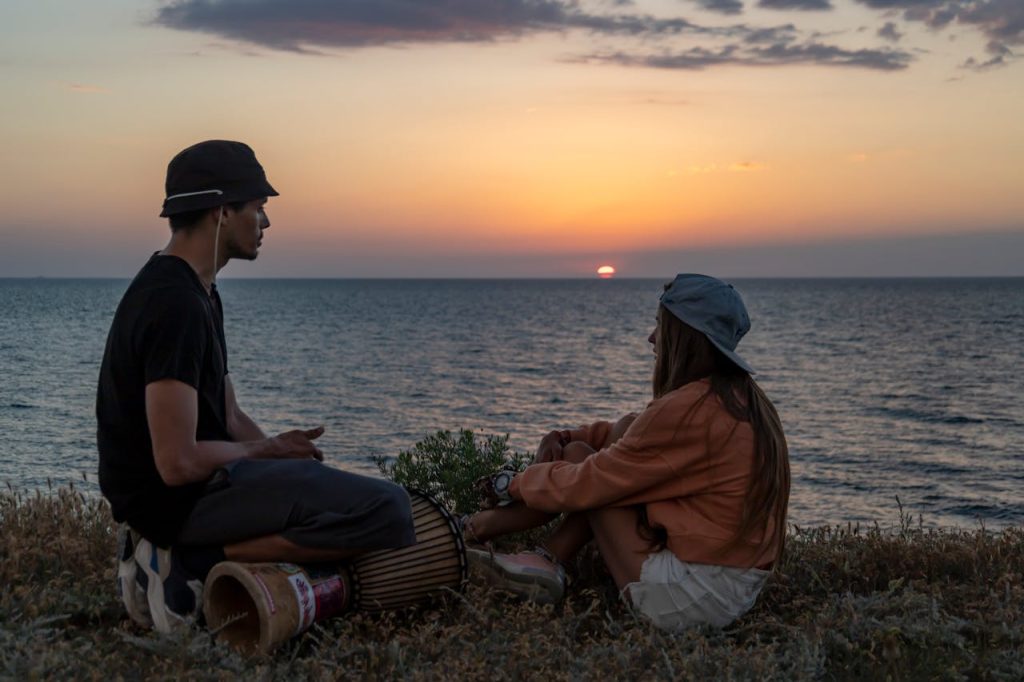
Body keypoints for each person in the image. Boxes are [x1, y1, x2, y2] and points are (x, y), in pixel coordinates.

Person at [96, 140, 415, 633]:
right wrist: (265, 452)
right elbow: (175, 462)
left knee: (357, 502)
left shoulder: (200, 291)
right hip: (172, 504)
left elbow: (229, 412)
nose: (265, 223)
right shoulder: (172, 304)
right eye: (258, 208)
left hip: (202, 488)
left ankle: (185, 556)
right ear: (223, 211)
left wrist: (280, 456)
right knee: (389, 510)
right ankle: (186, 560)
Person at [463, 274, 790, 632]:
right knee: (587, 454)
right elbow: (635, 431)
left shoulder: (690, 409)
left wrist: (510, 484)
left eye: (659, 326)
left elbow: (591, 480)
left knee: (591, 475)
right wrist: (565, 435)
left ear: (685, 337)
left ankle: (485, 534)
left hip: (690, 598)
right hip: (732, 590)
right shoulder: (740, 401)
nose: (651, 338)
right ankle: (537, 555)